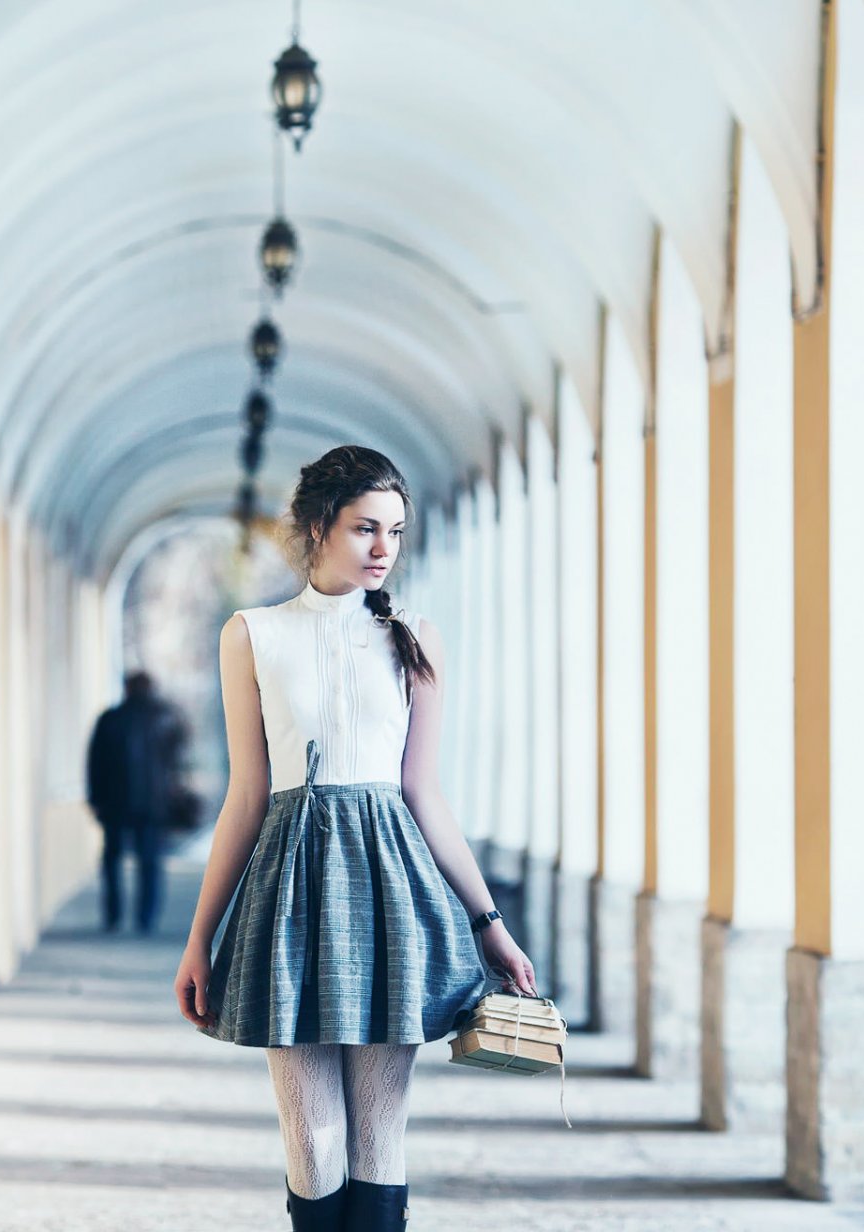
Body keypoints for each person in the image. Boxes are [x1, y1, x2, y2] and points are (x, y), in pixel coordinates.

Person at [172, 445, 538, 1231]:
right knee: (313, 1142)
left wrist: (491, 926)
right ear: (316, 527)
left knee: (379, 1142)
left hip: (392, 897)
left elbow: (423, 792)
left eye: (396, 532)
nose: (383, 549)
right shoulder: (253, 634)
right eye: (365, 528)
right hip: (290, 899)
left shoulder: (415, 638)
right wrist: (201, 938)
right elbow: (246, 795)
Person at [85, 671, 184, 934]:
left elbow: (95, 763)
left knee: (113, 859)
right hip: (152, 803)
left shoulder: (111, 719)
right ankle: (146, 918)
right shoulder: (164, 718)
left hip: (115, 802)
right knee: (149, 862)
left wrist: (96, 798)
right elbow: (175, 761)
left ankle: (114, 915)